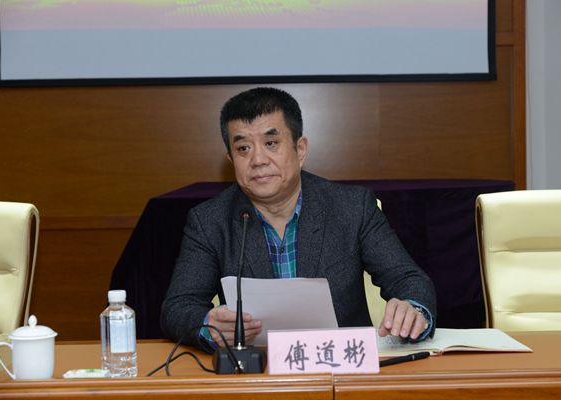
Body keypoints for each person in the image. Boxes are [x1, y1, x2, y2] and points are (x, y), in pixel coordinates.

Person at [161, 87, 436, 351]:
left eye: (271, 143)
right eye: (243, 148)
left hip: (342, 367)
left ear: (300, 149)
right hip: (255, 371)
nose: (257, 160)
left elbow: (408, 279)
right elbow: (178, 307)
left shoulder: (352, 207)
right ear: (231, 159)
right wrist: (208, 325)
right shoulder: (210, 221)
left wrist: (412, 309)